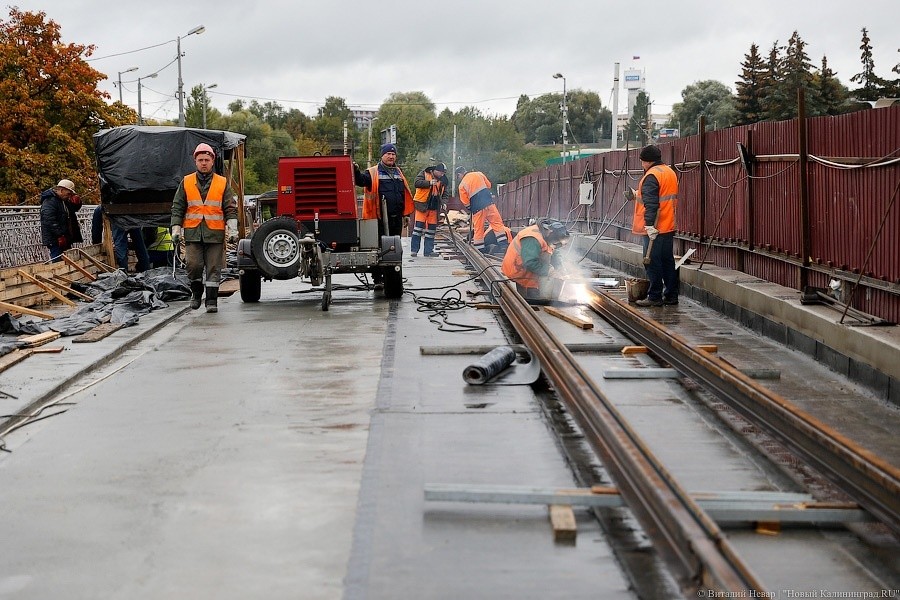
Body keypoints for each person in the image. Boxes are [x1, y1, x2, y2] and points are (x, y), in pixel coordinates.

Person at [171, 142, 238, 313]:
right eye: (200, 159)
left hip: (215, 233)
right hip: (193, 233)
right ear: (195, 161)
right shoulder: (186, 182)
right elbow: (178, 207)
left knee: (214, 267)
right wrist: (176, 229)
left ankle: (211, 301)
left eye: (206, 159)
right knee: (193, 265)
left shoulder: (222, 183)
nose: (203, 163)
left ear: (212, 161)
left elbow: (230, 207)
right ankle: (196, 293)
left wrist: (232, 230)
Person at [353, 143, 413, 287]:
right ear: (382, 155)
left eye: (393, 154)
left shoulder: (398, 172)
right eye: (388, 154)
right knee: (377, 249)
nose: (391, 156)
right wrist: (355, 171)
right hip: (377, 218)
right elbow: (360, 180)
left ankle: (393, 277)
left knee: (394, 248)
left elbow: (402, 194)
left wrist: (406, 214)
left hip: (396, 218)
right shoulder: (373, 172)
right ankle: (378, 279)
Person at [631, 144, 679, 307]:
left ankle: (654, 296)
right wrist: (636, 194)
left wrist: (649, 225)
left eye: (642, 161)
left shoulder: (651, 175)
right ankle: (671, 296)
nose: (642, 164)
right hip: (667, 225)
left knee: (651, 262)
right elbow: (660, 195)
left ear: (646, 161)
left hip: (655, 228)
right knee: (667, 261)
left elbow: (651, 203)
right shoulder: (668, 172)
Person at [501, 218, 569, 300]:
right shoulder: (532, 239)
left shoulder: (547, 234)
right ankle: (525, 298)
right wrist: (549, 271)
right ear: (550, 233)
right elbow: (530, 262)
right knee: (527, 301)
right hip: (518, 270)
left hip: (528, 267)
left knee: (538, 293)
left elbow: (553, 251)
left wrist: (560, 268)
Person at [455, 166, 511, 254]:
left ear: (459, 174)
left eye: (458, 177)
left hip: (477, 208)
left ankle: (480, 249)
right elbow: (489, 185)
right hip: (489, 204)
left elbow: (465, 202)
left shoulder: (462, 185)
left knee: (478, 229)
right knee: (497, 225)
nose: (458, 178)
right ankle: (503, 246)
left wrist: (471, 208)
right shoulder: (479, 174)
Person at [410, 161, 449, 257]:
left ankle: (428, 251)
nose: (442, 174)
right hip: (422, 205)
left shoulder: (443, 180)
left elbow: (445, 194)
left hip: (434, 207)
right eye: (441, 172)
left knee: (431, 231)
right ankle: (414, 250)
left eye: (443, 173)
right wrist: (429, 183)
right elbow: (417, 183)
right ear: (436, 170)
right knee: (418, 229)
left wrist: (444, 203)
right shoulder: (424, 173)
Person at [39, 179, 83, 262]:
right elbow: (49, 220)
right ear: (62, 190)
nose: (69, 196)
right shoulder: (50, 201)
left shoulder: (63, 201)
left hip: (64, 237)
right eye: (68, 194)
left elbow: (73, 209)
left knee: (67, 261)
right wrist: (59, 235)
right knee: (58, 261)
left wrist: (78, 202)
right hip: (55, 239)